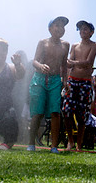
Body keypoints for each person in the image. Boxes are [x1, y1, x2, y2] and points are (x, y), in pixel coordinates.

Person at [27, 16, 69, 154]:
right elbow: (34, 61)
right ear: (50, 28)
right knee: (37, 112)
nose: (60, 28)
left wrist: (65, 81)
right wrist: (41, 66)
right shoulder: (43, 42)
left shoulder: (65, 45)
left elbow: (64, 65)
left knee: (55, 112)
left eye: (62, 26)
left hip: (55, 80)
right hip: (39, 78)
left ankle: (54, 146)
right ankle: (31, 143)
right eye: (57, 25)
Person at [62, 20, 96, 150]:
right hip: (72, 80)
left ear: (91, 32)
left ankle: (79, 143)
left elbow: (88, 62)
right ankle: (70, 141)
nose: (83, 31)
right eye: (81, 29)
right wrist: (65, 81)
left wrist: (73, 62)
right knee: (67, 111)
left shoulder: (94, 45)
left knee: (82, 114)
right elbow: (68, 63)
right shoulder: (75, 45)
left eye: (86, 29)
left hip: (85, 82)